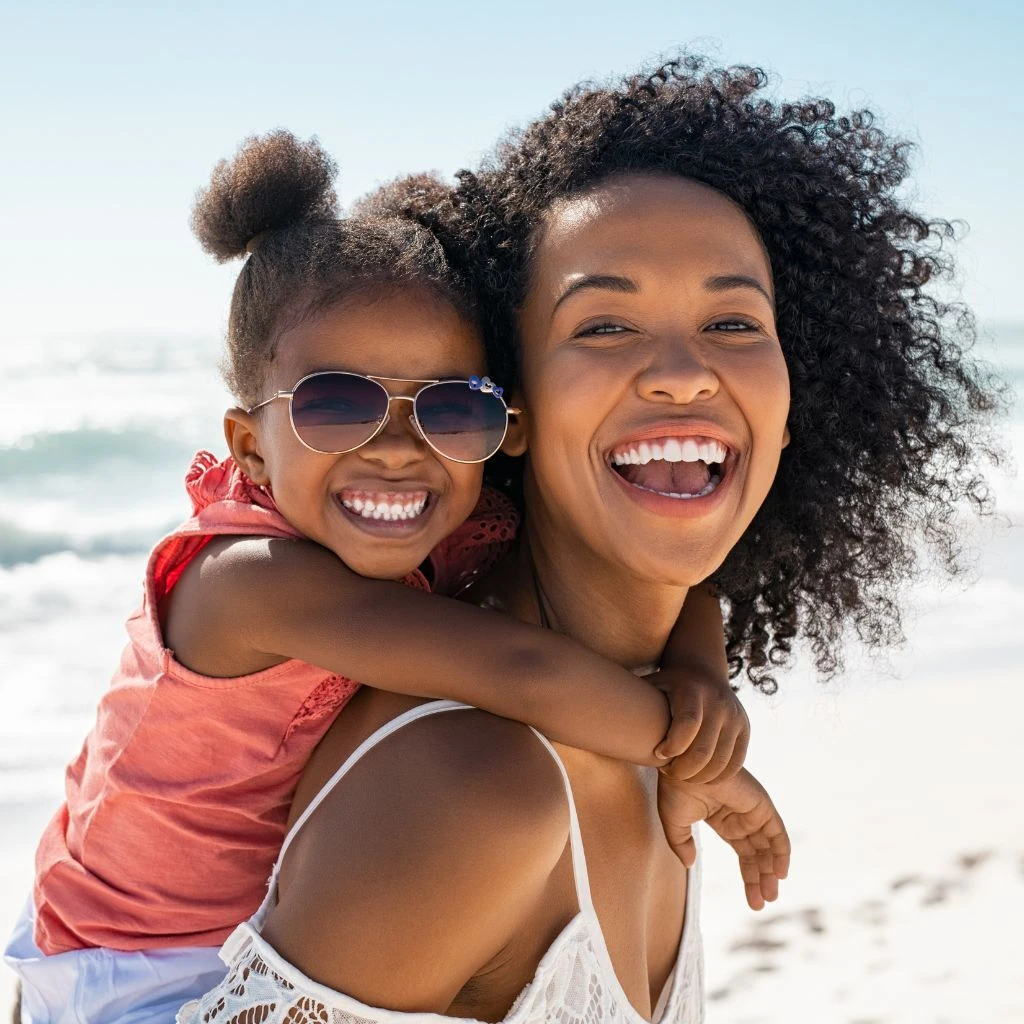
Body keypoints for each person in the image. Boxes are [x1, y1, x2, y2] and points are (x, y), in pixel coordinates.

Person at [179, 57, 1001, 1023]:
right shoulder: (476, 788)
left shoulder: (662, 727)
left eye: (734, 320)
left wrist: (703, 680)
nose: (684, 372)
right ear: (510, 413)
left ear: (790, 407)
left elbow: (683, 606)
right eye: (604, 324)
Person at [5, 130, 781, 1024]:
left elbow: (679, 583)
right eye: (339, 405)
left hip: (237, 929)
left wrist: (702, 676)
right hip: (127, 963)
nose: (403, 448)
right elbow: (517, 670)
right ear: (251, 446)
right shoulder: (247, 582)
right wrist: (703, 759)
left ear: (501, 426)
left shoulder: (439, 531)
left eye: (451, 409)